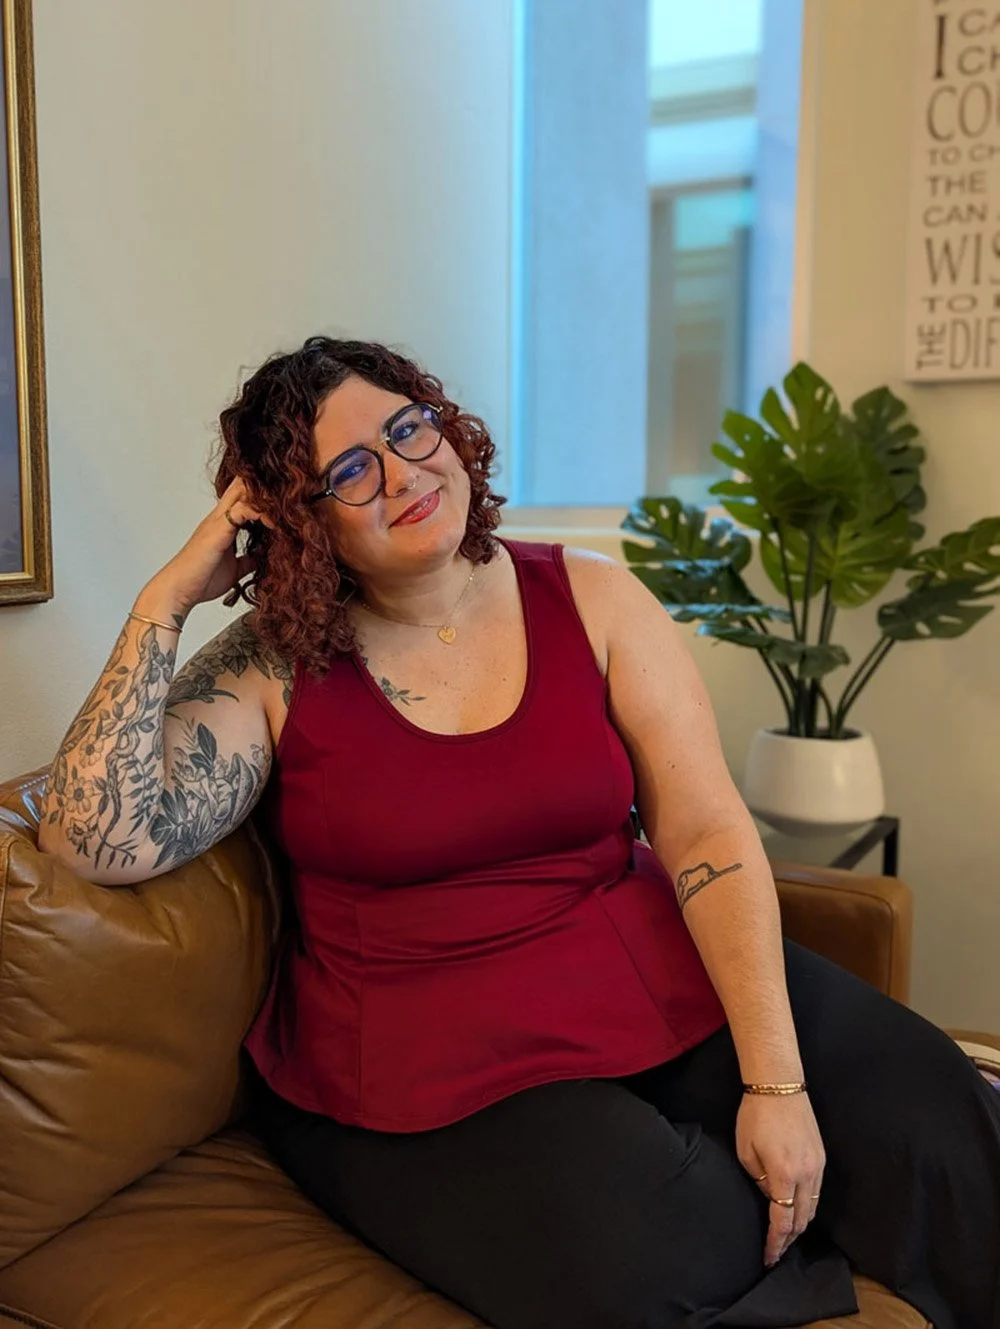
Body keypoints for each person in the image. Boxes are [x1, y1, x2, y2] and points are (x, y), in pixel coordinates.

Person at [39, 336, 1000, 1329]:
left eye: (408, 429)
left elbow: (707, 833)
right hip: (422, 1052)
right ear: (300, 522)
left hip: (638, 966)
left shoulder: (591, 596)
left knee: (930, 1108)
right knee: (657, 1249)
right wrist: (166, 601)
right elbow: (94, 841)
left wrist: (776, 1080)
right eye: (350, 471)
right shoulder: (272, 666)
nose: (403, 474)